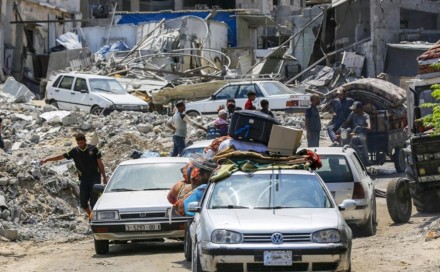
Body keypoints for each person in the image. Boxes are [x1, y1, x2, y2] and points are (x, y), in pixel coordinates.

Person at [40, 132, 107, 220]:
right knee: (83, 201)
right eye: (78, 143)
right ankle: (91, 215)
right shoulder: (74, 151)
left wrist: (104, 177)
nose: (80, 145)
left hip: (95, 177)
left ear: (85, 141)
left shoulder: (93, 149)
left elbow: (100, 163)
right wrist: (47, 159)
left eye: (82, 143)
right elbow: (61, 156)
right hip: (83, 179)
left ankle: (96, 219)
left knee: (93, 200)